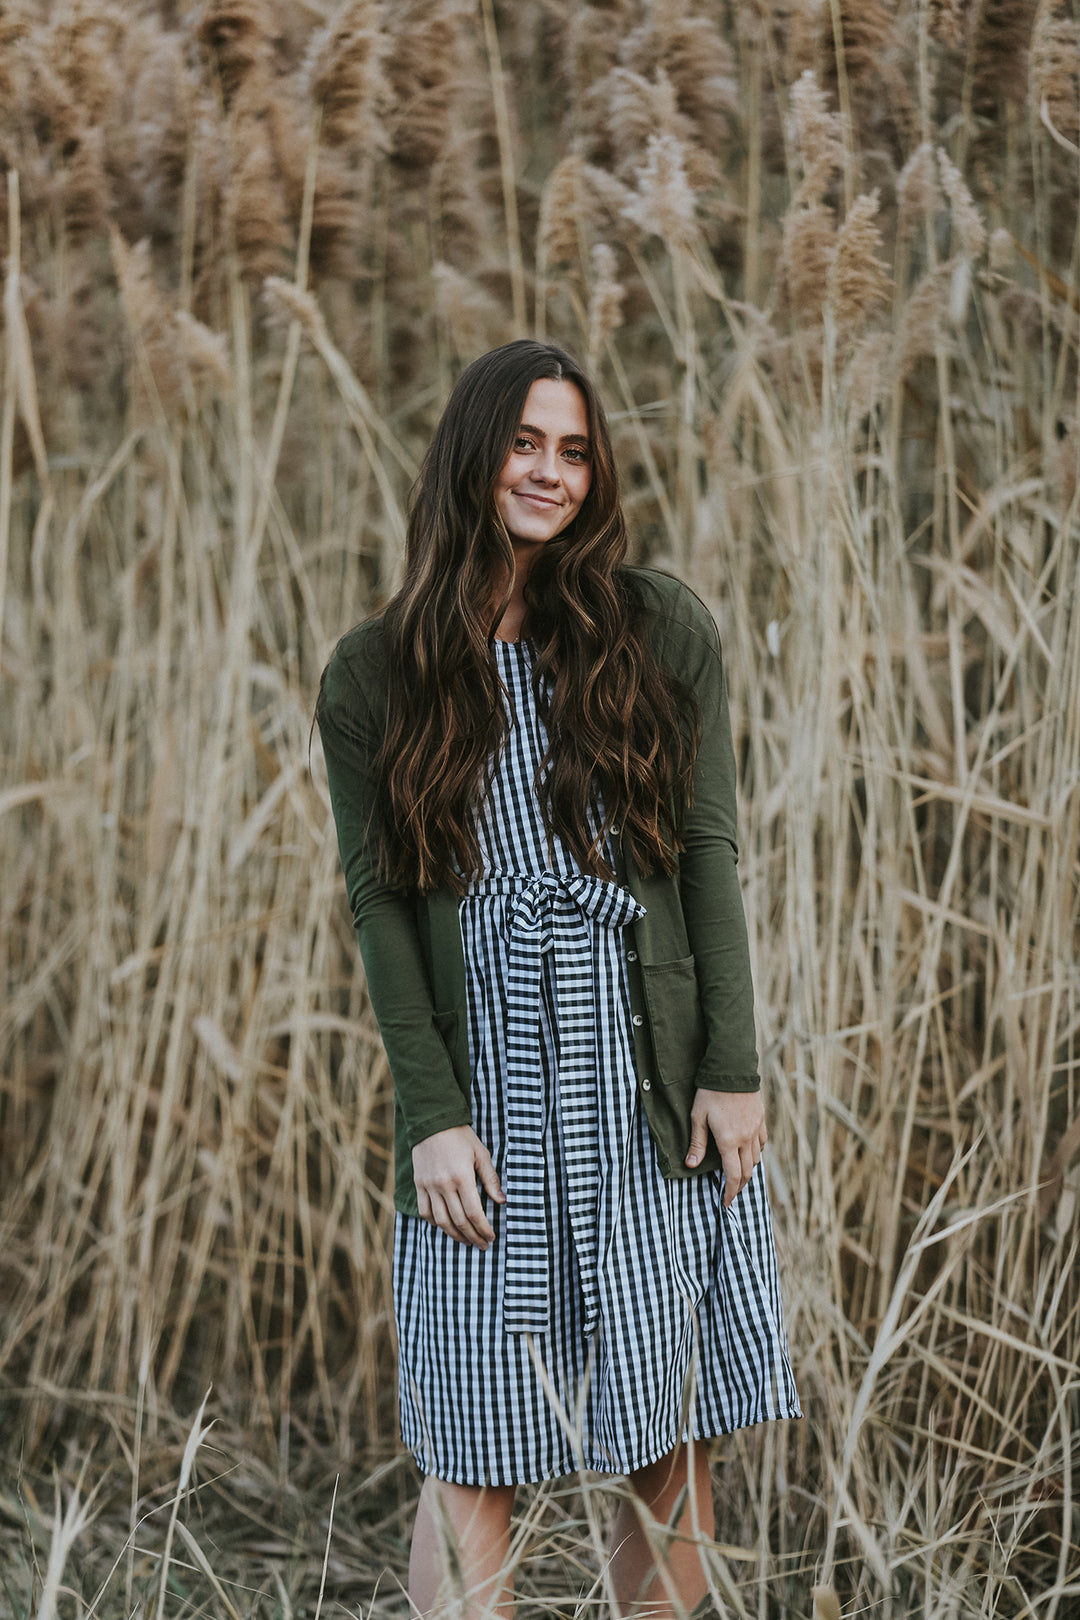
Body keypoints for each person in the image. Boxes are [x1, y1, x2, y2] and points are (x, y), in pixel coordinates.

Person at [316, 340, 799, 1618]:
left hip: (647, 1089)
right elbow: (380, 908)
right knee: (473, 1446)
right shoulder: (375, 676)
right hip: (487, 1102)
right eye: (527, 443)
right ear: (475, 455)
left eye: (575, 449)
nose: (551, 472)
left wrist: (733, 1075)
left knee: (665, 1448)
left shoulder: (657, 630)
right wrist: (431, 1117)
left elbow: (707, 855)